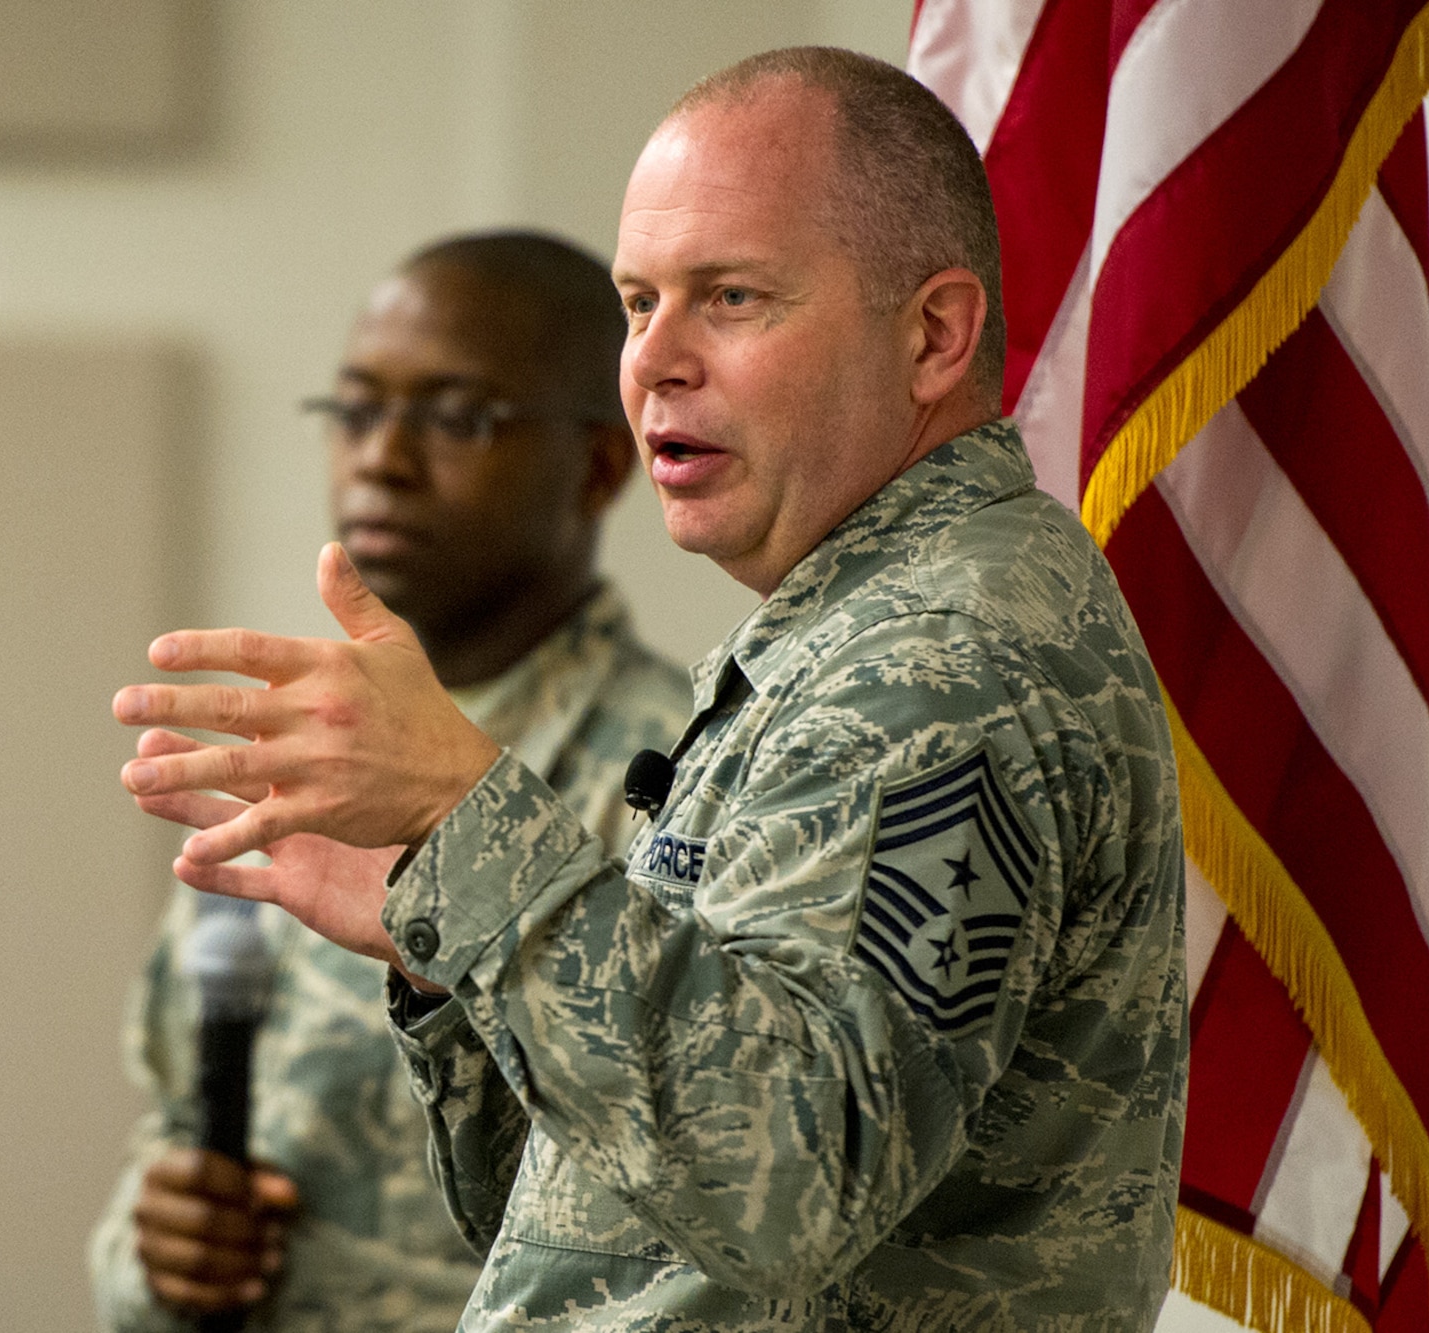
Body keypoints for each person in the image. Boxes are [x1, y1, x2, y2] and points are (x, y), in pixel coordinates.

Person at [114, 47, 1186, 1333]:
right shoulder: (845, 630)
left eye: (729, 297)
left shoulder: (942, 664)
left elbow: (778, 1190)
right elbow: (612, 1214)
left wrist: (477, 833)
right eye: (637, 302)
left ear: (932, 334)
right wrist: (448, 950)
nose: (654, 363)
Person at [89, 231, 695, 1332]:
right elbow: (175, 1108)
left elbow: (712, 1190)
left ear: (599, 466)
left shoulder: (672, 770)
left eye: (457, 416)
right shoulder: (292, 742)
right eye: (356, 410)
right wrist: (158, 1244)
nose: (381, 458)